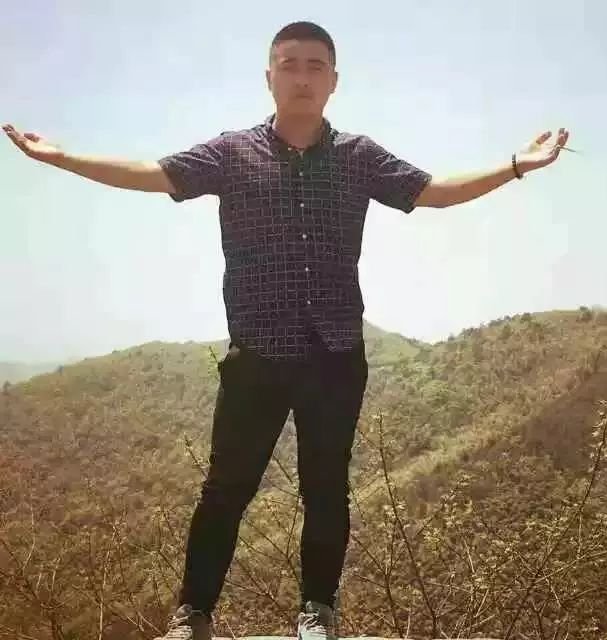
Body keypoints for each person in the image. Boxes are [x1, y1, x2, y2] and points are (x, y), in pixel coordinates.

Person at [3, 20, 570, 640]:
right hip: (257, 356)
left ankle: (317, 612)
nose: (302, 77)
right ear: (269, 76)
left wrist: (516, 166)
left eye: (315, 66)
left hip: (335, 353)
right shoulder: (231, 153)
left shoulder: (358, 157)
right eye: (290, 64)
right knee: (225, 490)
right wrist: (59, 158)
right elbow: (152, 173)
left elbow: (433, 191)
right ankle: (193, 615)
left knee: (326, 489)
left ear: (333, 80)